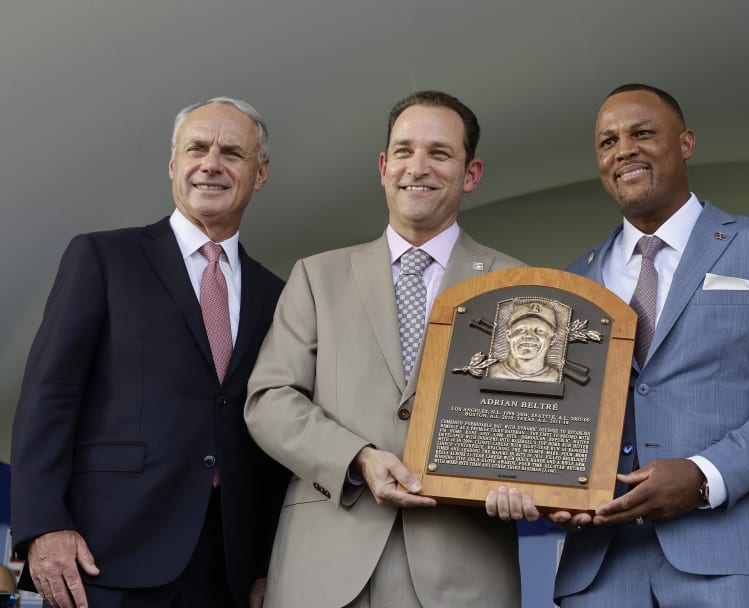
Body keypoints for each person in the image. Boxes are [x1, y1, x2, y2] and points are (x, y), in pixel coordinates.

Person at [544, 83, 749, 605]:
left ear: (686, 143)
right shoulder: (572, 283)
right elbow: (559, 414)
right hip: (601, 573)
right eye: (607, 142)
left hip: (736, 561)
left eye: (642, 133)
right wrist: (552, 487)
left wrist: (706, 475)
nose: (623, 149)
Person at [244, 90, 527, 608]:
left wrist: (521, 479)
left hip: (463, 573)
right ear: (383, 166)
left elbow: (531, 421)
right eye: (403, 150)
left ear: (471, 173)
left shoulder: (518, 285)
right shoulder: (316, 276)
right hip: (325, 568)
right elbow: (268, 399)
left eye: (439, 153)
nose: (417, 167)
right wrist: (356, 458)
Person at [10, 97, 291, 608]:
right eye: (196, 149)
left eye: (232, 152)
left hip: (226, 564)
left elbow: (274, 428)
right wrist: (43, 525)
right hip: (106, 553)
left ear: (261, 172)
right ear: (173, 164)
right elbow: (51, 394)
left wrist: (268, 562)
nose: (211, 164)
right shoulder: (103, 257)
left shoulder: (278, 294)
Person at [487, 300, 562, 383]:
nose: (529, 335)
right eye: (521, 330)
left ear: (553, 339)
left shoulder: (555, 377)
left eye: (540, 331)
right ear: (508, 335)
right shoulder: (493, 372)